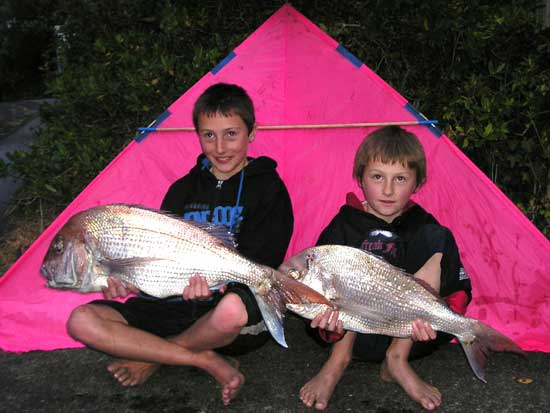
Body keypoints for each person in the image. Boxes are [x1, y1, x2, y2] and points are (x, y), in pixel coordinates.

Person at [66, 83, 294, 405]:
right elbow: (159, 259)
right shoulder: (181, 190)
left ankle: (155, 356)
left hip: (225, 314)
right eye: (209, 135)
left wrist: (220, 285)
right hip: (172, 304)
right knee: (80, 321)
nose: (220, 146)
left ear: (252, 133)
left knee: (230, 311)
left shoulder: (269, 189)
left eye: (231, 134)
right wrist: (128, 282)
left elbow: (264, 259)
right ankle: (202, 358)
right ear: (197, 135)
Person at [299, 125, 471, 411]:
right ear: (360, 179)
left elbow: (458, 291)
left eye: (400, 179)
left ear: (417, 183)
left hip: (411, 335)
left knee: (436, 236)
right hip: (352, 336)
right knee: (348, 254)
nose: (388, 190)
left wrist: (436, 314)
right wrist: (323, 320)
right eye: (378, 177)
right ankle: (336, 363)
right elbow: (311, 290)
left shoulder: (424, 227)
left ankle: (396, 361)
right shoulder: (344, 225)